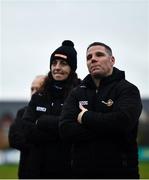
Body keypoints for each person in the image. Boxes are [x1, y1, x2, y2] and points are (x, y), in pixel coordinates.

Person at [59, 42, 142, 179]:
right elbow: (65, 129)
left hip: (121, 173)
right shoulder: (77, 93)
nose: (93, 59)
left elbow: (123, 122)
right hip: (81, 173)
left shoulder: (127, 89)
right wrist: (107, 127)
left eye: (99, 54)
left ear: (112, 60)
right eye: (89, 57)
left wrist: (85, 117)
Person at [21, 40, 80, 178]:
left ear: (72, 67)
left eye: (63, 63)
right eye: (54, 63)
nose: (57, 67)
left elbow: (77, 130)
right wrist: (60, 129)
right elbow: (26, 129)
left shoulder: (81, 94)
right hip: (38, 171)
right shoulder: (39, 95)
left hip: (70, 171)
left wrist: (42, 122)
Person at [8, 75, 46, 179]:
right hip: (27, 172)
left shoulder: (52, 112)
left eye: (38, 89)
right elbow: (14, 139)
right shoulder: (22, 112)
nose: (34, 92)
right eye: (32, 89)